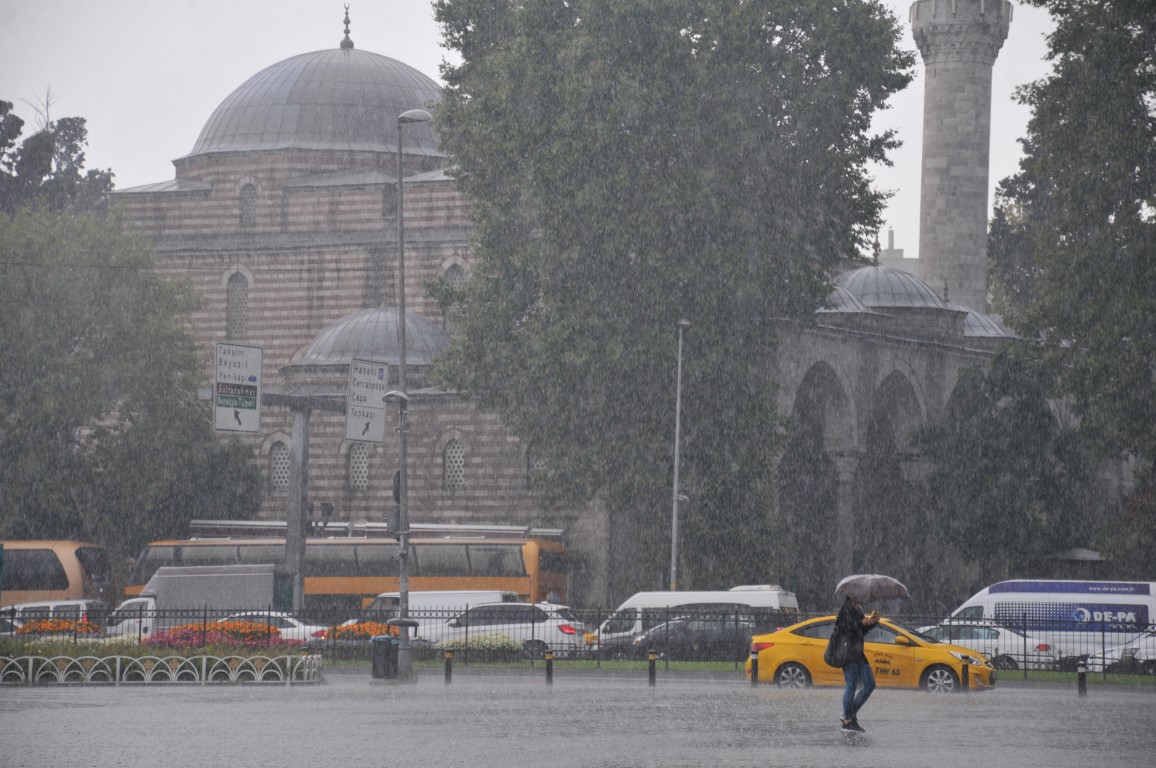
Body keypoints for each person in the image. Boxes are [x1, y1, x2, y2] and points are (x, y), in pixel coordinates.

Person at [835, 594, 880, 733]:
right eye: (860, 594)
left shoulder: (858, 609)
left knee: (870, 684)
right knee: (852, 686)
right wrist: (862, 623)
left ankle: (849, 716)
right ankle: (848, 720)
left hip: (859, 652)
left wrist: (873, 622)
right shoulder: (845, 609)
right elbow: (847, 628)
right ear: (851, 595)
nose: (863, 597)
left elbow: (861, 631)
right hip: (848, 652)